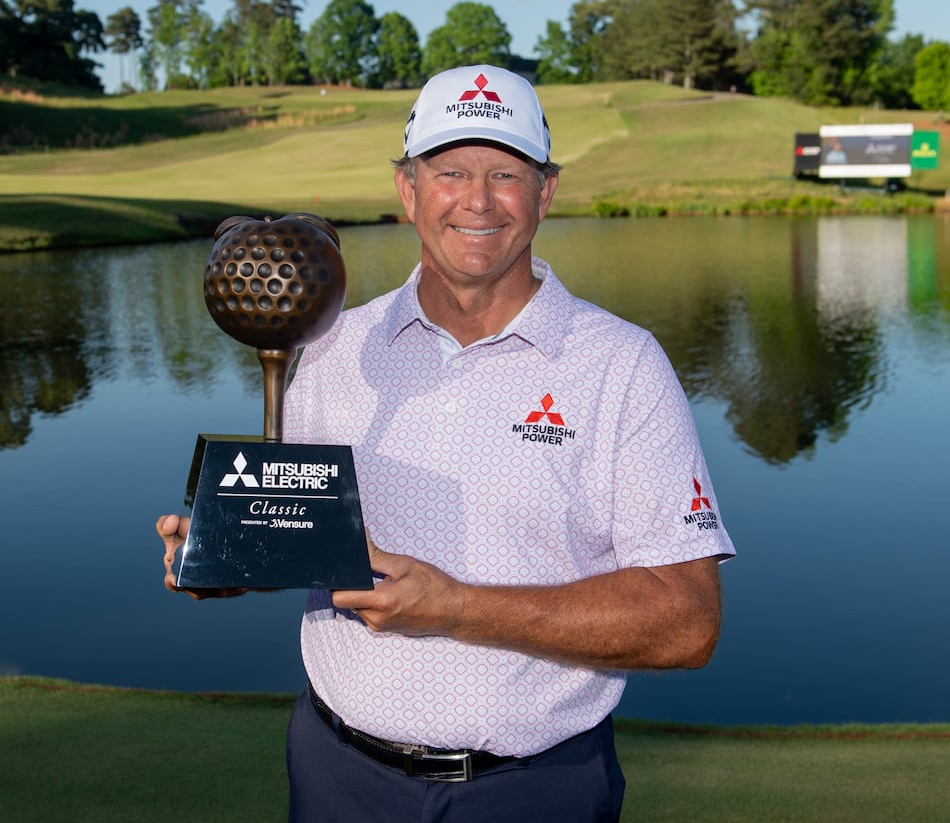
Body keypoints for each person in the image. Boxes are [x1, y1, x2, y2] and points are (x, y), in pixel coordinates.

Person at [158, 65, 735, 823]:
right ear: (407, 192)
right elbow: (293, 527)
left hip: (537, 789)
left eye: (506, 173)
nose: (478, 200)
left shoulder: (622, 364)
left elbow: (687, 623)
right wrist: (220, 556)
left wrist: (457, 607)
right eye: (451, 171)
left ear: (546, 193)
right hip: (339, 776)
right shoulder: (334, 344)